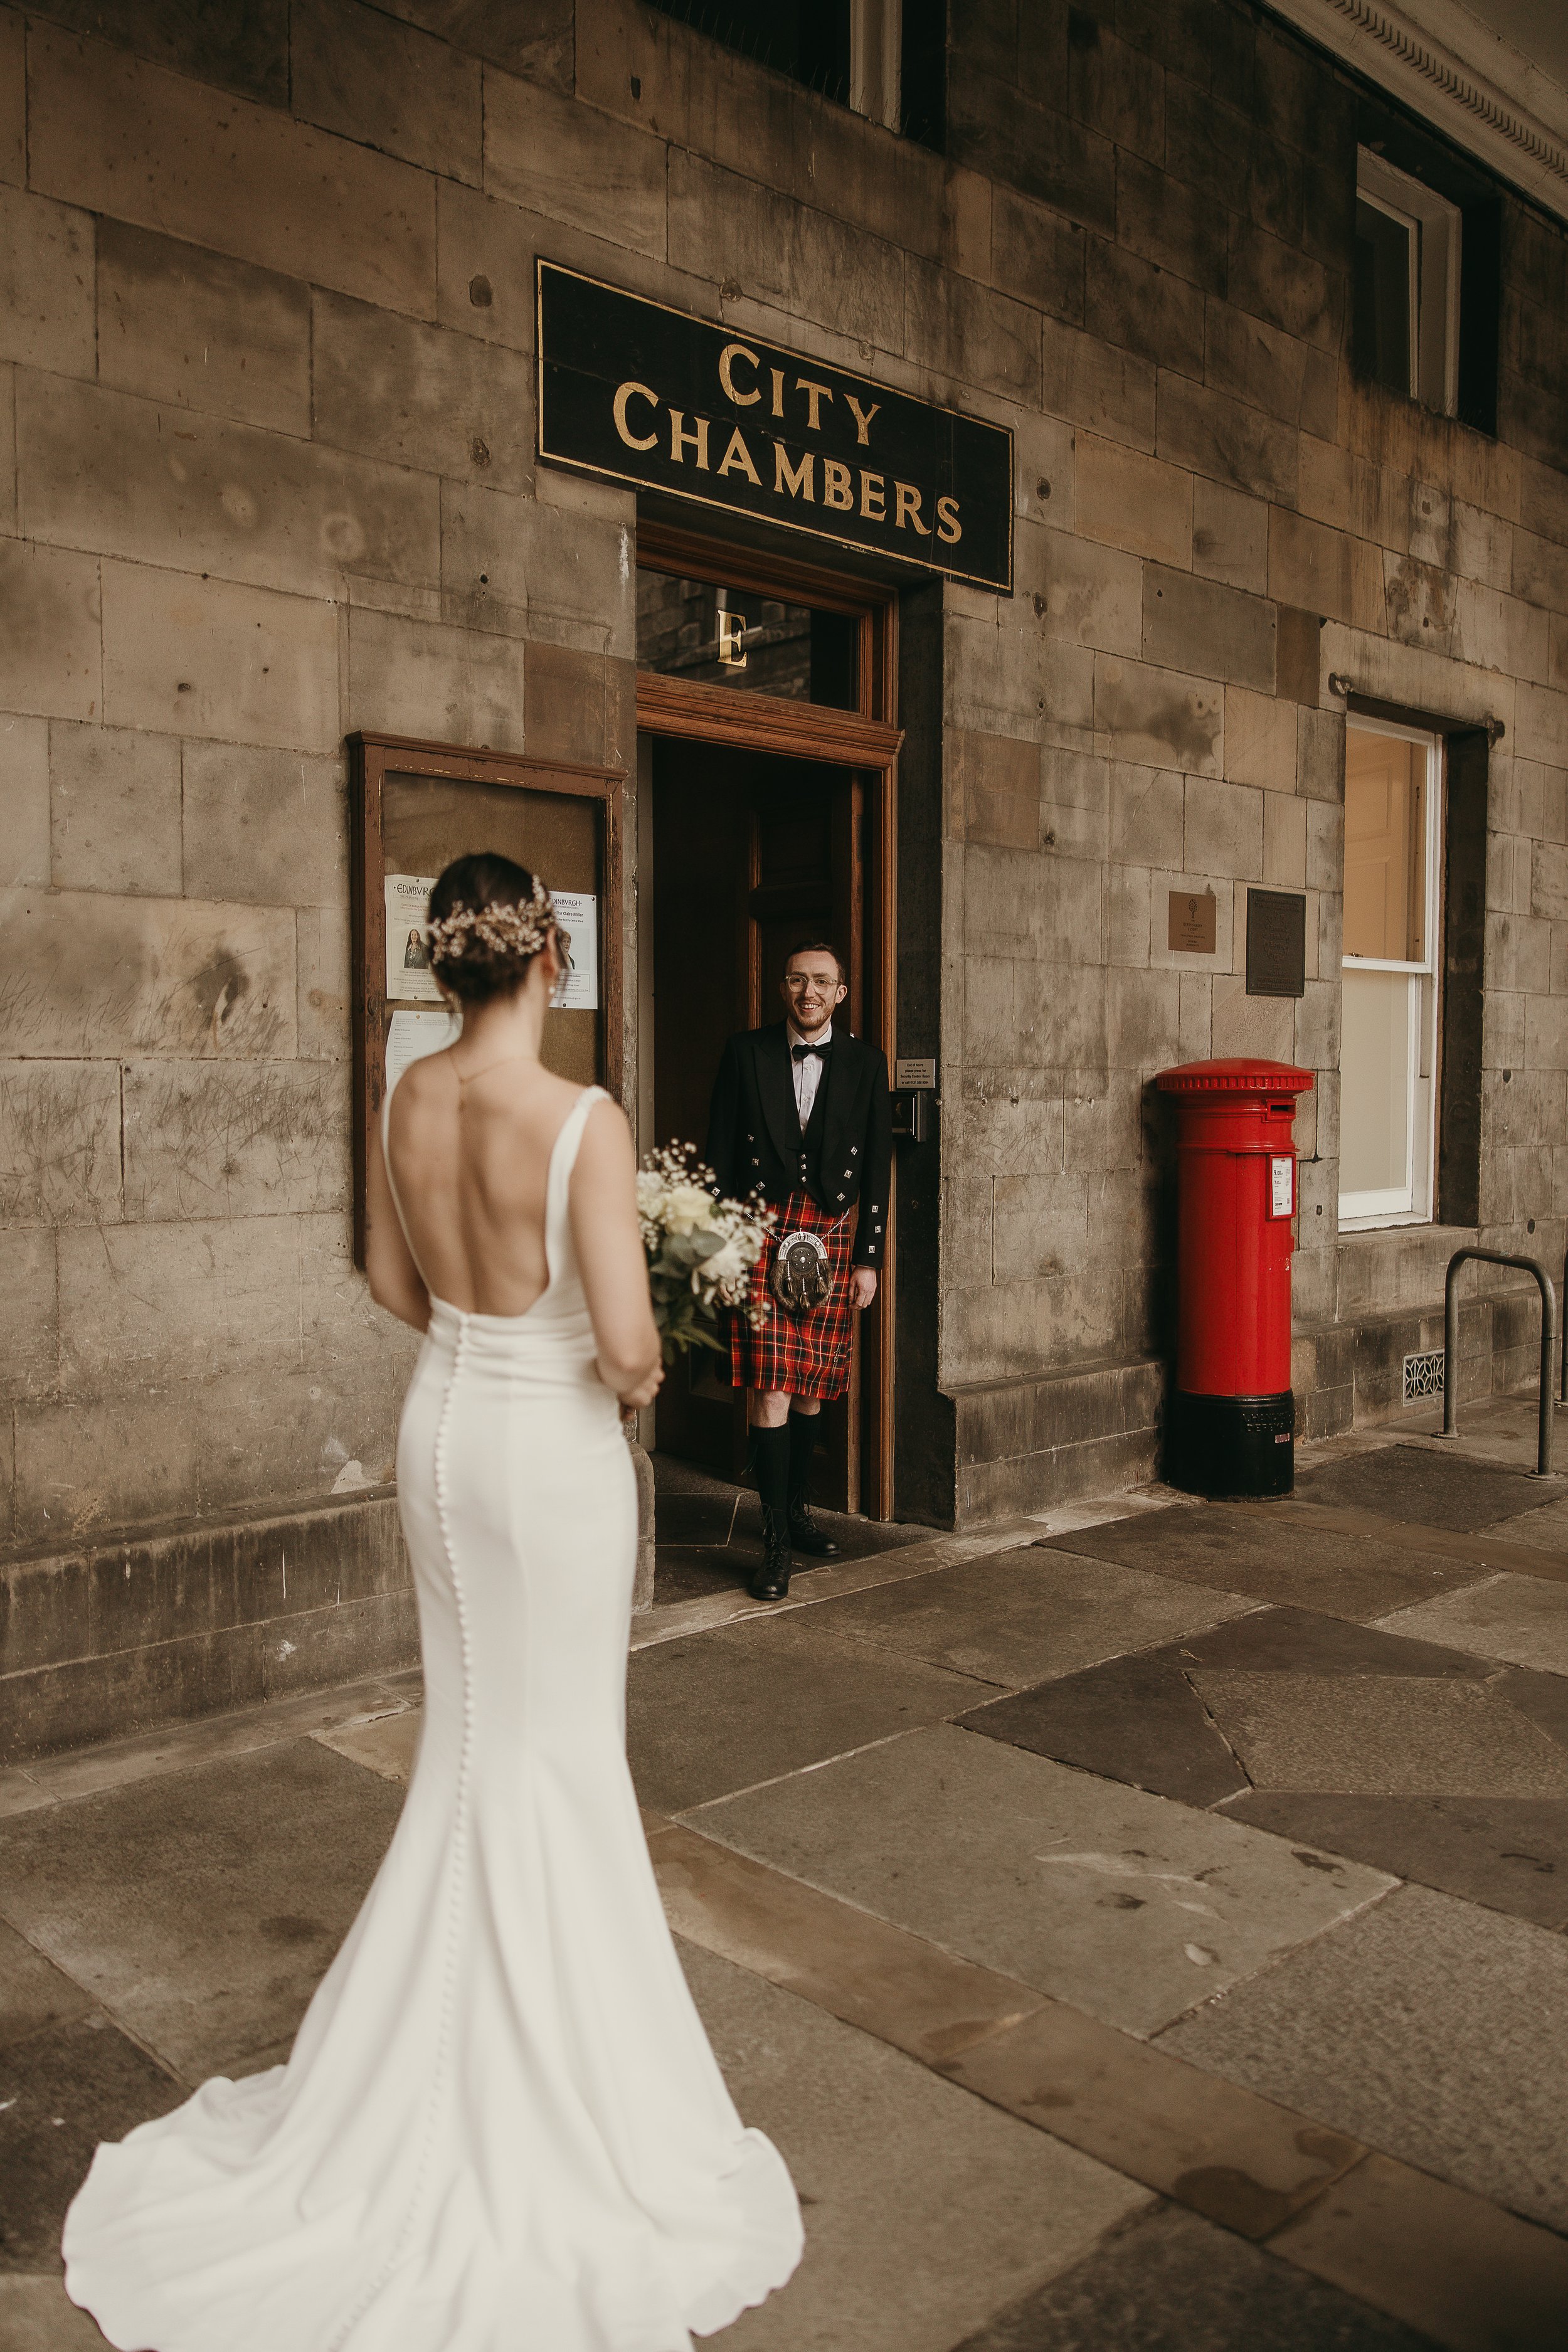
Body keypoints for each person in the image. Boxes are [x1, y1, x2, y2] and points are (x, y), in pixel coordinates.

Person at [62, 852, 802, 2351]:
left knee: (471, 1745)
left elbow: (393, 1281)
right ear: (553, 964)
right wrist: (655, 1338)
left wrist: (494, 1337)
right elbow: (625, 1345)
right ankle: (559, 2096)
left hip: (443, 1432)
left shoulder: (409, 1096)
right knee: (561, 1757)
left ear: (452, 966)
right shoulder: (581, 1120)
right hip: (547, 1460)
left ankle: (413, 2066)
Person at [705, 941, 893, 1602]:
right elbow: (721, 1159)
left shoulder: (868, 1064)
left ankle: (801, 1510)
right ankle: (775, 1542)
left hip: (835, 1232)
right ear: (782, 988)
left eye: (822, 982)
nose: (808, 992)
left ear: (840, 992)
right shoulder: (745, 1052)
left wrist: (869, 1258)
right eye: (797, 980)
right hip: (761, 1230)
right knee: (770, 1390)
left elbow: (875, 1167)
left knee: (813, 1387)